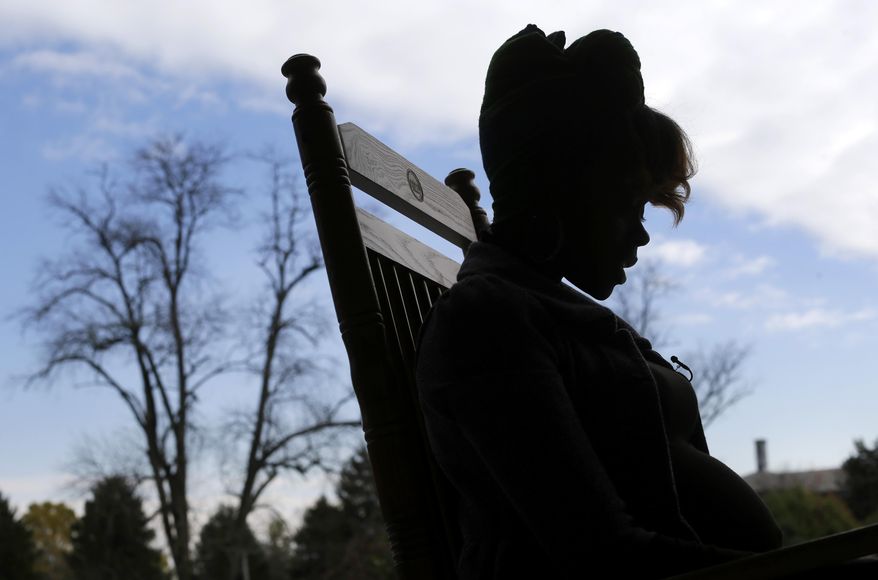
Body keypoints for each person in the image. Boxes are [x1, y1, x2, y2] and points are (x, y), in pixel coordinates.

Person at [414, 24, 785, 579]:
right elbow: (604, 558)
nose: (641, 235)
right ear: (561, 188)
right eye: (629, 205)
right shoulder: (488, 321)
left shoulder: (541, 306)